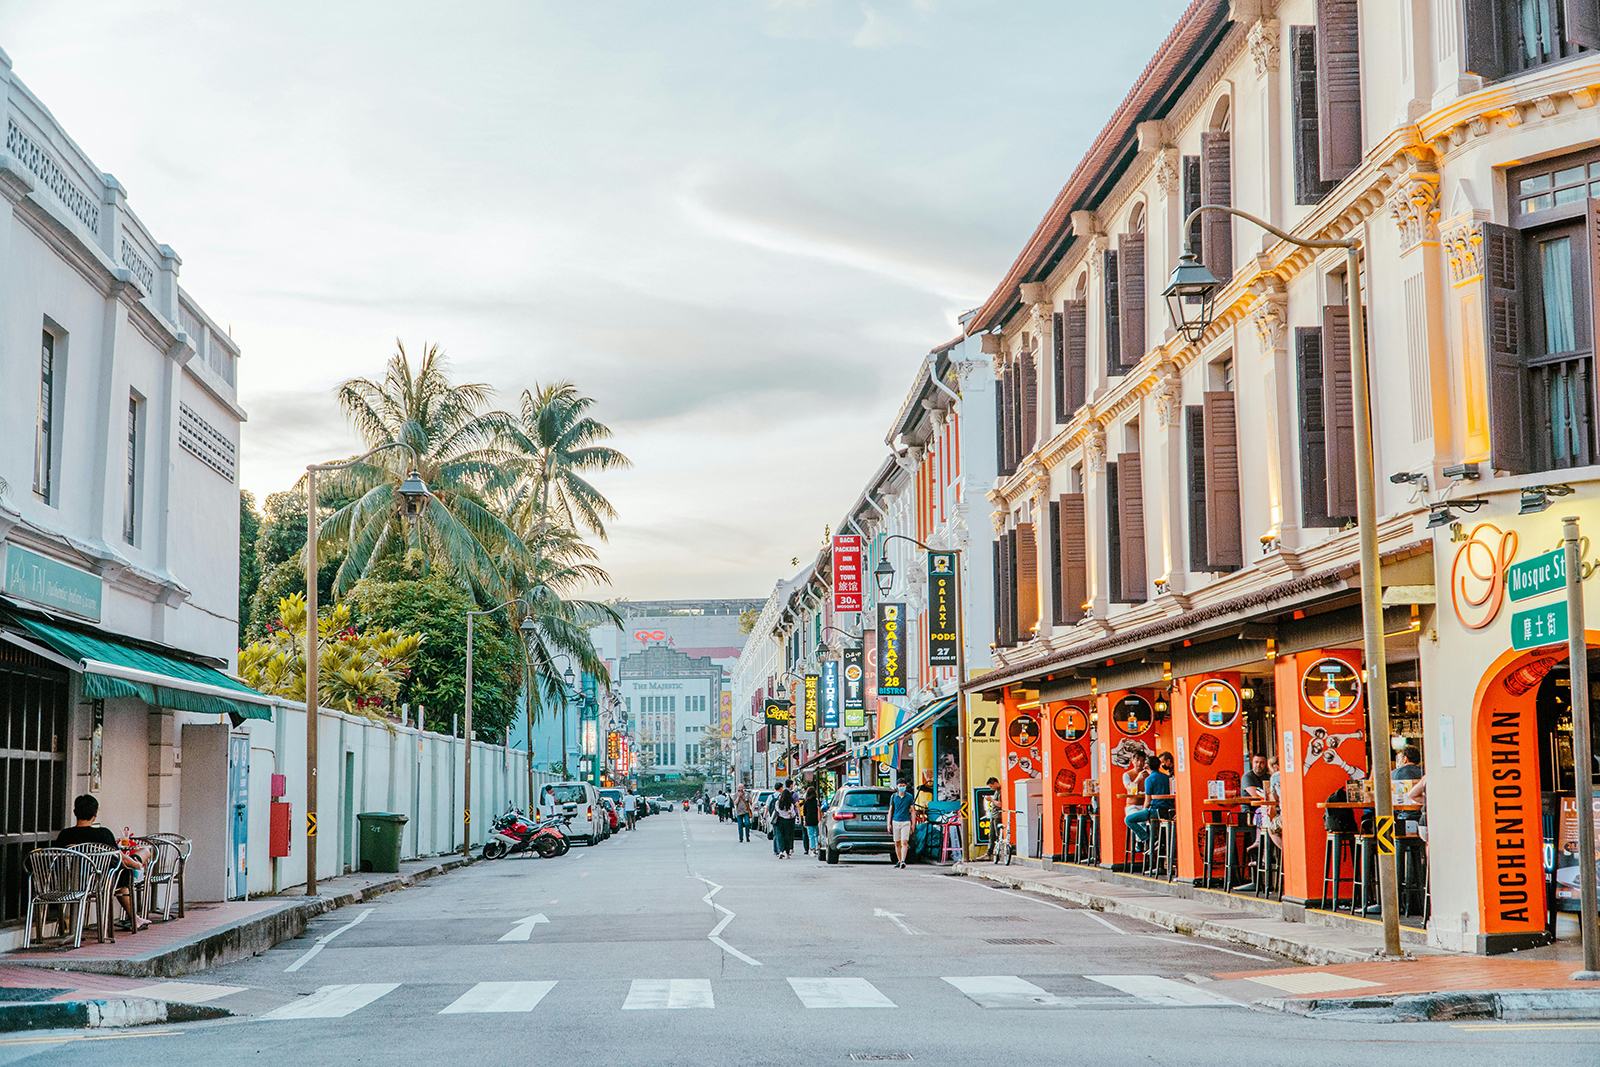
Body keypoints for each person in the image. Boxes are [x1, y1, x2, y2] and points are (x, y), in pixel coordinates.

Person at [56, 794, 147, 934]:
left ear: (75, 812)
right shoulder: (103, 834)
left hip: (69, 884)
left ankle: (135, 917)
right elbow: (120, 858)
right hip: (101, 883)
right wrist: (136, 865)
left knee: (123, 872)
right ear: (95, 813)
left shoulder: (65, 835)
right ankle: (135, 917)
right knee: (136, 860)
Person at [1125, 754, 1173, 847]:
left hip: (1155, 811)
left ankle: (1147, 839)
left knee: (1128, 819)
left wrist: (1144, 810)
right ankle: (1154, 840)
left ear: (1147, 767)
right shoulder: (1167, 777)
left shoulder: (1149, 780)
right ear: (1159, 765)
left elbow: (1147, 802)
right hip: (1168, 811)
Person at [889, 780, 916, 868]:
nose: (902, 787)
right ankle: (899, 860)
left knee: (904, 841)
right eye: (900, 785)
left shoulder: (909, 797)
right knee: (897, 842)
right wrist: (888, 823)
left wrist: (913, 824)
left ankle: (903, 861)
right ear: (897, 786)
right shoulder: (893, 797)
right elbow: (890, 811)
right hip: (895, 821)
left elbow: (912, 810)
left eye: (903, 785)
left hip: (906, 821)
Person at [774, 784, 798, 858]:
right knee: (787, 836)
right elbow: (793, 814)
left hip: (780, 820)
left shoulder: (778, 803)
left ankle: (780, 851)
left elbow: (777, 810)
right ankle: (787, 852)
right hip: (788, 821)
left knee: (780, 835)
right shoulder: (790, 804)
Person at [801, 784, 820, 855]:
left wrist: (804, 821)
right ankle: (817, 846)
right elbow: (819, 809)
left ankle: (813, 848)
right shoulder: (816, 801)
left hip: (809, 819)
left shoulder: (806, 802)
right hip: (816, 819)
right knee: (816, 834)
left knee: (810, 835)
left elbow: (804, 812)